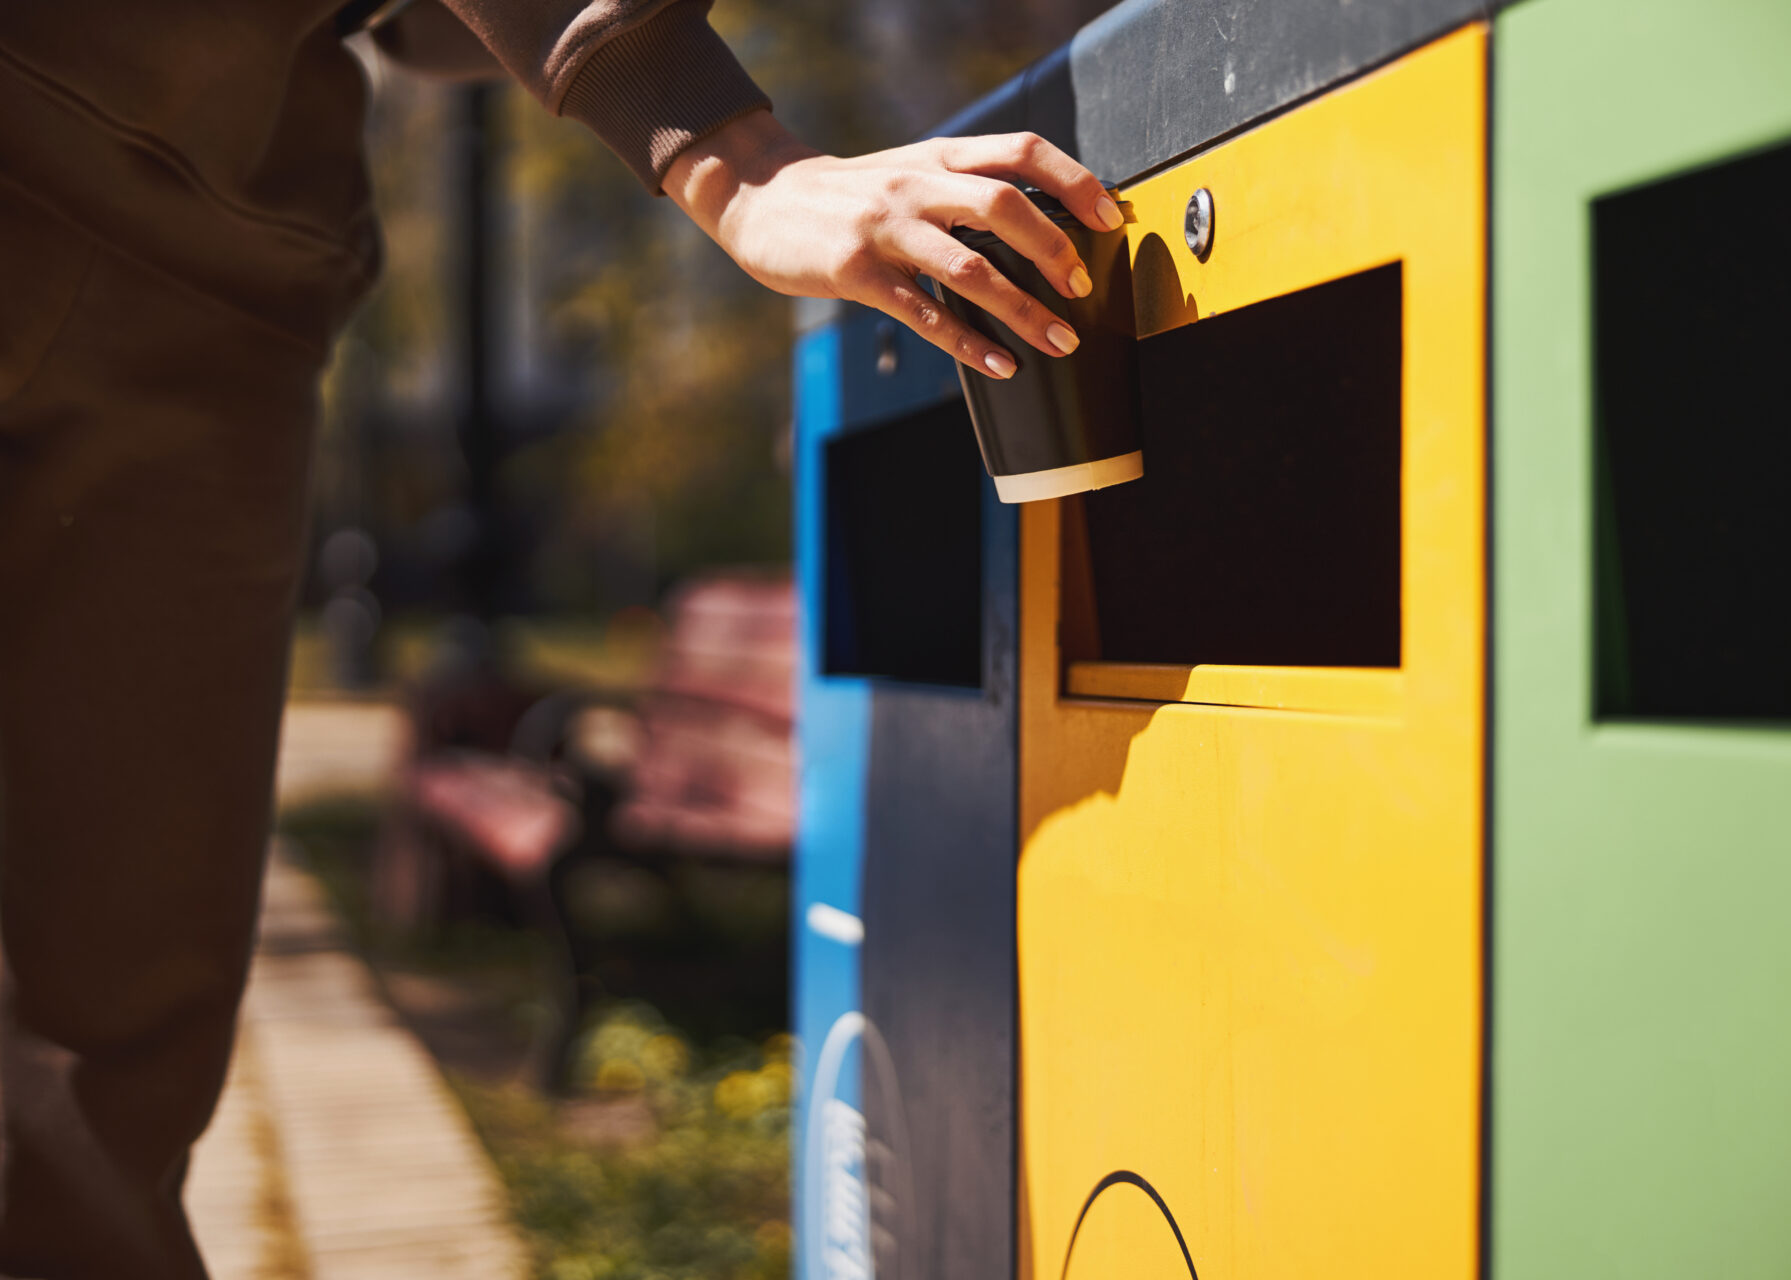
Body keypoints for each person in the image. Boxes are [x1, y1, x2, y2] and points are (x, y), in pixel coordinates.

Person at [0, 0, 1117, 1272]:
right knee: (98, 1079)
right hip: (182, 256)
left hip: (198, 288)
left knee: (96, 1091)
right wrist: (737, 157)